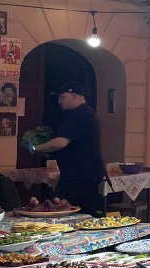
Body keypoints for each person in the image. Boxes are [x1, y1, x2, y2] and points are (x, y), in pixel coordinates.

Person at [31, 81, 104, 215]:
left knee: (67, 210)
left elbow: (61, 142)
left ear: (74, 95)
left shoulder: (79, 114)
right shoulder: (87, 112)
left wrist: (36, 148)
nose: (59, 101)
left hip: (79, 176)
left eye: (62, 97)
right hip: (83, 173)